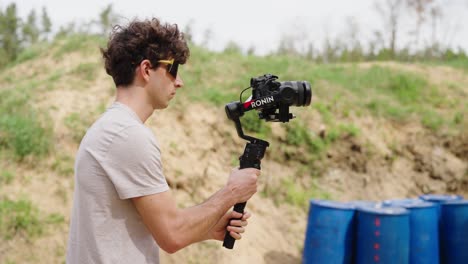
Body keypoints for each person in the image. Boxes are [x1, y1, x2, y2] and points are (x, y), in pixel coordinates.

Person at [66, 17, 260, 263]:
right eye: (173, 69)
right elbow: (173, 235)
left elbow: (158, 227)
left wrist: (207, 227)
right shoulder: (127, 135)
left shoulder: (113, 128)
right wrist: (232, 192)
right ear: (147, 70)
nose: (179, 82)